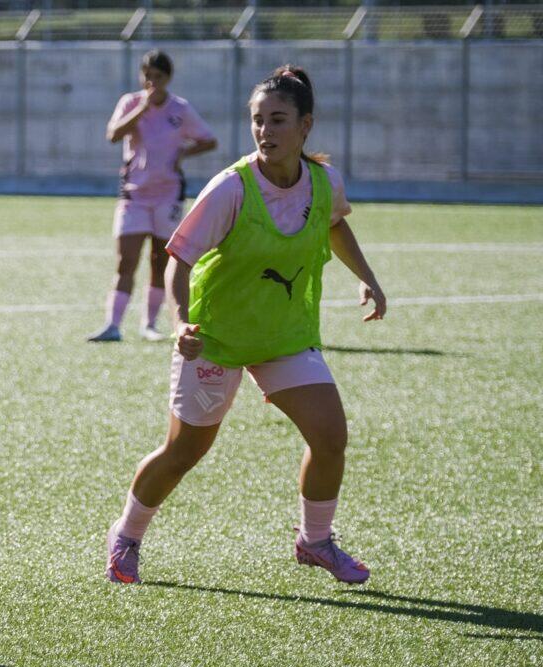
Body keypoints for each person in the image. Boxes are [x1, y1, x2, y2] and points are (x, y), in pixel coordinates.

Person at [103, 65, 387, 585]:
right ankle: (127, 535)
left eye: (277, 120)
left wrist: (367, 277)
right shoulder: (231, 187)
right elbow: (178, 259)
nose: (265, 131)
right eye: (257, 121)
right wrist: (182, 323)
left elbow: (334, 221)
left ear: (305, 126)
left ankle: (315, 541)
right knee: (185, 450)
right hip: (216, 338)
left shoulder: (324, 182)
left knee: (330, 437)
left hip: (285, 336)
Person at [89, 50, 216, 344]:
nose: (151, 82)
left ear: (168, 78)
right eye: (147, 75)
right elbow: (113, 134)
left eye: (158, 76)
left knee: (161, 260)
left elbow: (209, 140)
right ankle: (113, 325)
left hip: (168, 195)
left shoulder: (180, 109)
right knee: (126, 260)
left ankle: (150, 325)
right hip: (134, 194)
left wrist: (184, 152)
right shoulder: (131, 103)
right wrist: (141, 110)